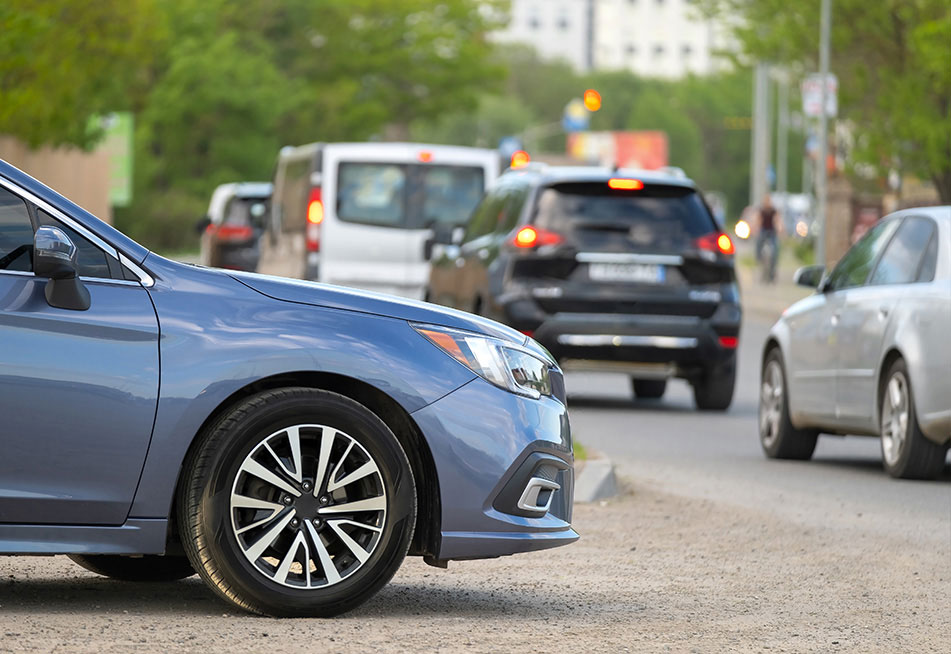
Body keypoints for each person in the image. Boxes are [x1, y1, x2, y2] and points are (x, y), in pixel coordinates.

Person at [755, 194, 782, 283]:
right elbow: (759, 221)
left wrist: (779, 229)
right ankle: (758, 257)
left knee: (775, 249)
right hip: (763, 231)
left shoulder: (773, 210)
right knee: (758, 243)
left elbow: (777, 220)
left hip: (772, 231)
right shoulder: (761, 210)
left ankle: (773, 269)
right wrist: (756, 229)